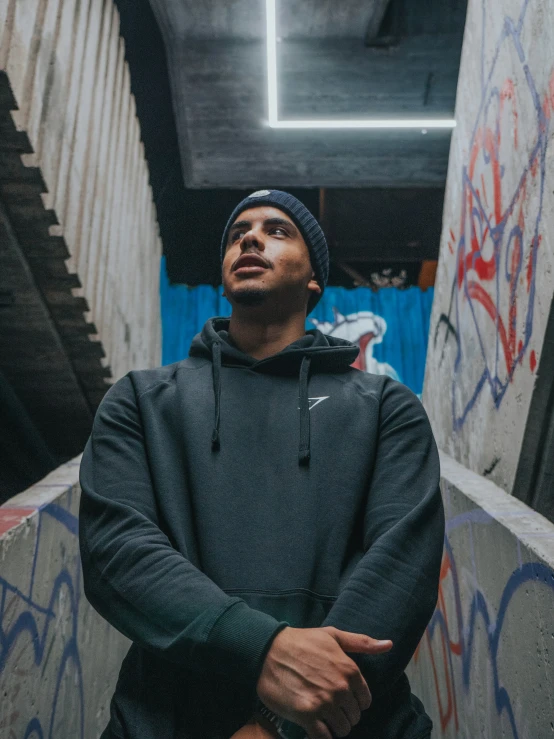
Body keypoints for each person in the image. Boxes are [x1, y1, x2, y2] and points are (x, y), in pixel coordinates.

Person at [79, 189, 445, 739]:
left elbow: (401, 569)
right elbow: (118, 552)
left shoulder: (385, 407)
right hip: (163, 720)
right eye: (237, 233)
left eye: (277, 230)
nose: (250, 237)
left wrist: (277, 725)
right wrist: (261, 647)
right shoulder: (141, 399)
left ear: (314, 278)